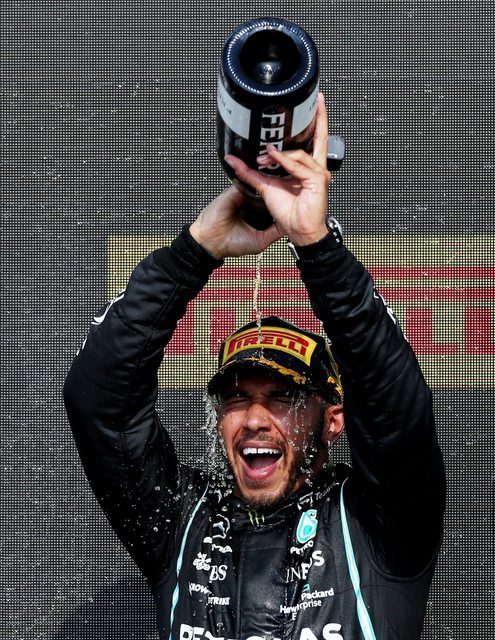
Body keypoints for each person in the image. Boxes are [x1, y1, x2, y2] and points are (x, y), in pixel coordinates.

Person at [63, 93, 446, 640]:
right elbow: (100, 399)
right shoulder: (181, 522)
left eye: (284, 397)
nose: (255, 419)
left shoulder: (380, 525)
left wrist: (317, 247)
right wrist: (194, 251)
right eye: (237, 397)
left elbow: (394, 410)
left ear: (334, 418)